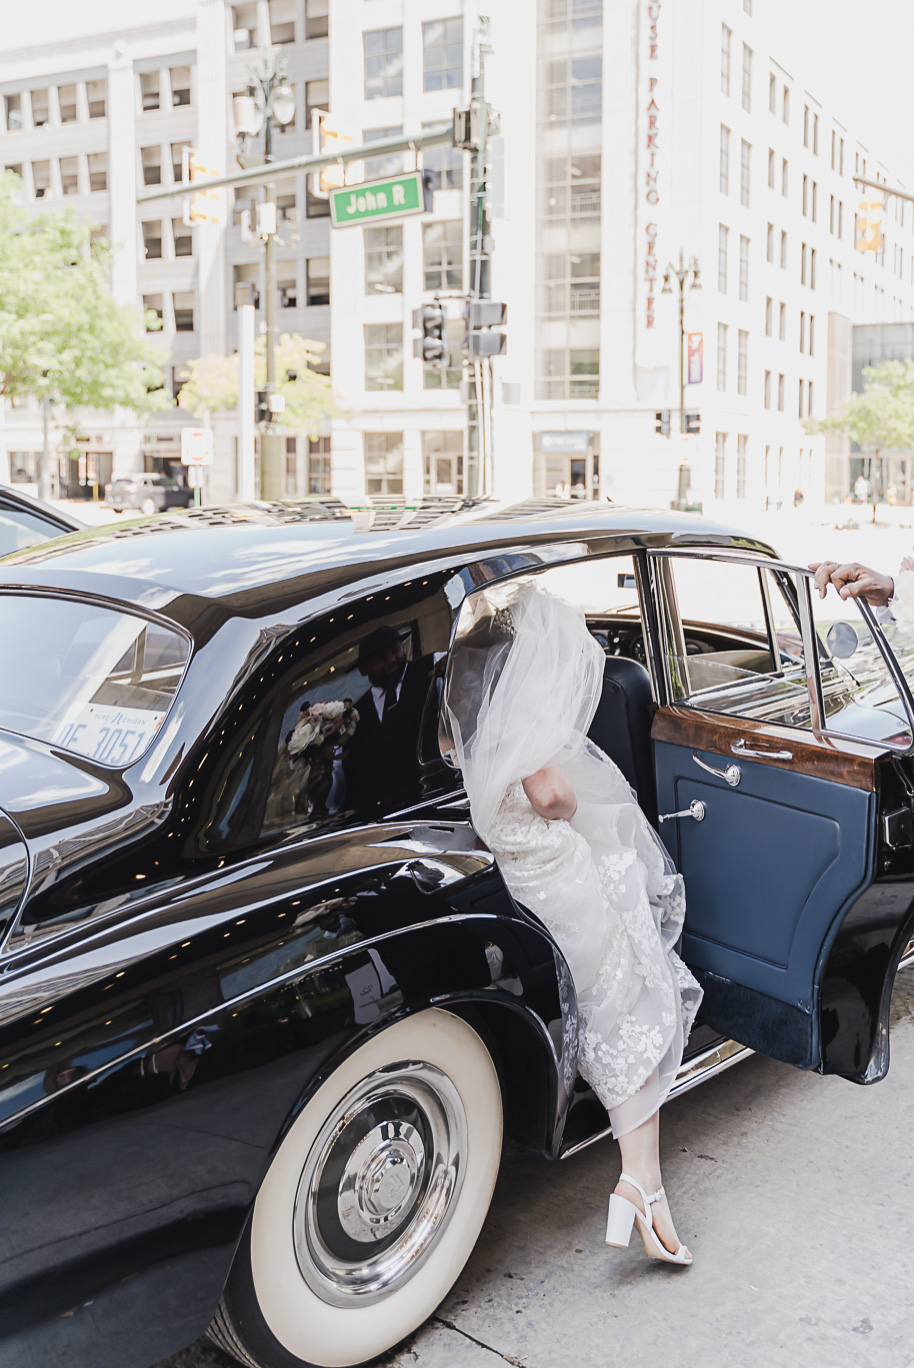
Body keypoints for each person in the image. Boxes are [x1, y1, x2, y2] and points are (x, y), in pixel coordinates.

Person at [441, 581, 702, 1265]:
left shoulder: (467, 713)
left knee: (620, 1005)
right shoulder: (519, 716)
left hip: (517, 869)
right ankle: (639, 1185)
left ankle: (645, 1188)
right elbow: (552, 795)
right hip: (559, 873)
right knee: (634, 1003)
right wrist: (565, 805)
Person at [344, 625, 441, 814]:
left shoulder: (433, 668)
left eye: (395, 650)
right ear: (364, 669)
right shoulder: (354, 716)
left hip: (439, 801)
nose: (391, 660)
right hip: (389, 819)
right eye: (380, 658)